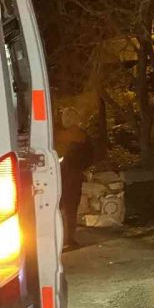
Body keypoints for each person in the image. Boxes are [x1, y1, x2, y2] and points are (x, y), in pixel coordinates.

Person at [55, 107, 93, 251]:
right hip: (74, 176)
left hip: (57, 176)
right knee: (70, 209)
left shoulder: (58, 135)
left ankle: (56, 238)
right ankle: (68, 240)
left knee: (56, 207)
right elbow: (90, 156)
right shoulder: (82, 136)